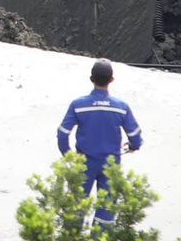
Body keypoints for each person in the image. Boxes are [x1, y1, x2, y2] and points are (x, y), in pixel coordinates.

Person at [56, 59, 143, 225]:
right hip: (111, 164)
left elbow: (62, 134)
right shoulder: (121, 107)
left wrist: (69, 156)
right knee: (106, 211)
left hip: (84, 163)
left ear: (91, 79)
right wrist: (133, 146)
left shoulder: (78, 105)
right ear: (111, 80)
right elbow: (135, 134)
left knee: (76, 209)